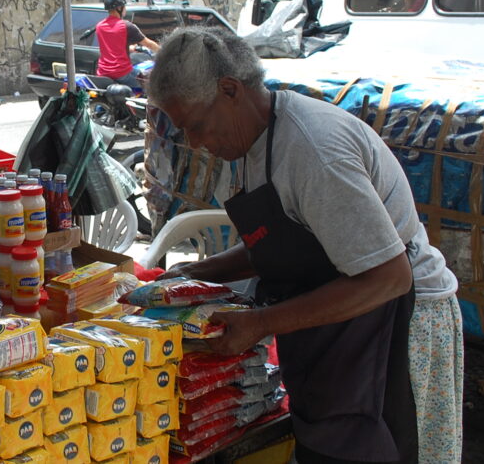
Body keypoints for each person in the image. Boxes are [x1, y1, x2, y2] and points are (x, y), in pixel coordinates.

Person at [148, 26, 463, 464]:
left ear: (230, 90)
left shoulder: (313, 150)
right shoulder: (248, 145)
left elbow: (389, 276)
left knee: (383, 449)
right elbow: (281, 242)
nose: (196, 143)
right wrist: (196, 273)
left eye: (197, 126)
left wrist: (261, 323)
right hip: (336, 321)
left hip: (398, 322)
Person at [95, 0, 160, 91]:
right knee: (152, 84)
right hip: (122, 73)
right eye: (124, 6)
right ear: (119, 8)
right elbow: (148, 44)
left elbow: (110, 47)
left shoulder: (99, 26)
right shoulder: (126, 26)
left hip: (103, 72)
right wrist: (164, 52)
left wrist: (131, 48)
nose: (125, 9)